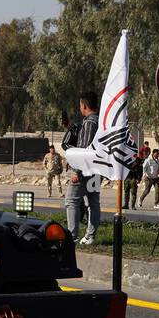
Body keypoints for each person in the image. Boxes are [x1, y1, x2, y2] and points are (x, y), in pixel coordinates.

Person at [63, 91, 101, 245]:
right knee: (93, 202)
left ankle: (72, 236)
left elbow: (84, 149)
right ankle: (90, 236)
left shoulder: (88, 123)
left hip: (84, 170)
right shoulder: (101, 122)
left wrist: (76, 171)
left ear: (84, 105)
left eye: (80, 105)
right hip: (97, 169)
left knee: (71, 200)